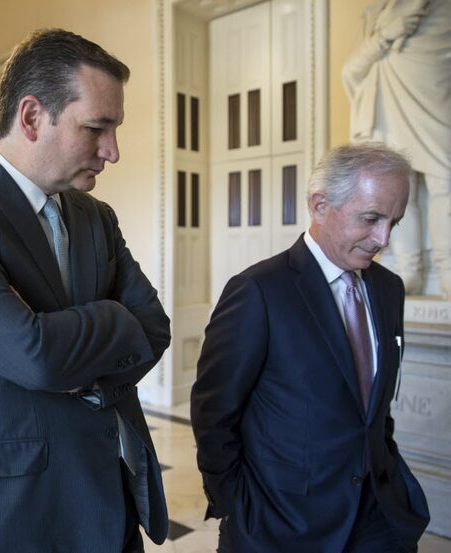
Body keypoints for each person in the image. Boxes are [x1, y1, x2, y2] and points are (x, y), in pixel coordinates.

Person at [0, 28, 171, 553]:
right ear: (31, 117)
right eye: (97, 128)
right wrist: (114, 316)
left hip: (104, 501)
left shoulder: (95, 215)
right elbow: (33, 354)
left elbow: (155, 327)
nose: (112, 151)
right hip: (0, 515)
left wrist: (82, 370)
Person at [191, 143, 430, 553]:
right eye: (371, 218)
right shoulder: (258, 292)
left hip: (378, 516)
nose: (384, 238)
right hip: (283, 522)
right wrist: (235, 504)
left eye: (395, 221)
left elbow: (373, 408)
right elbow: (214, 414)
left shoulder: (389, 289)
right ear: (320, 205)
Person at [342, 0, 451, 297]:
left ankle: (448, 271)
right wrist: (384, 37)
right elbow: (351, 70)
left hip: (432, 93)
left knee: (445, 180)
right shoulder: (377, 13)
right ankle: (408, 271)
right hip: (386, 103)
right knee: (401, 192)